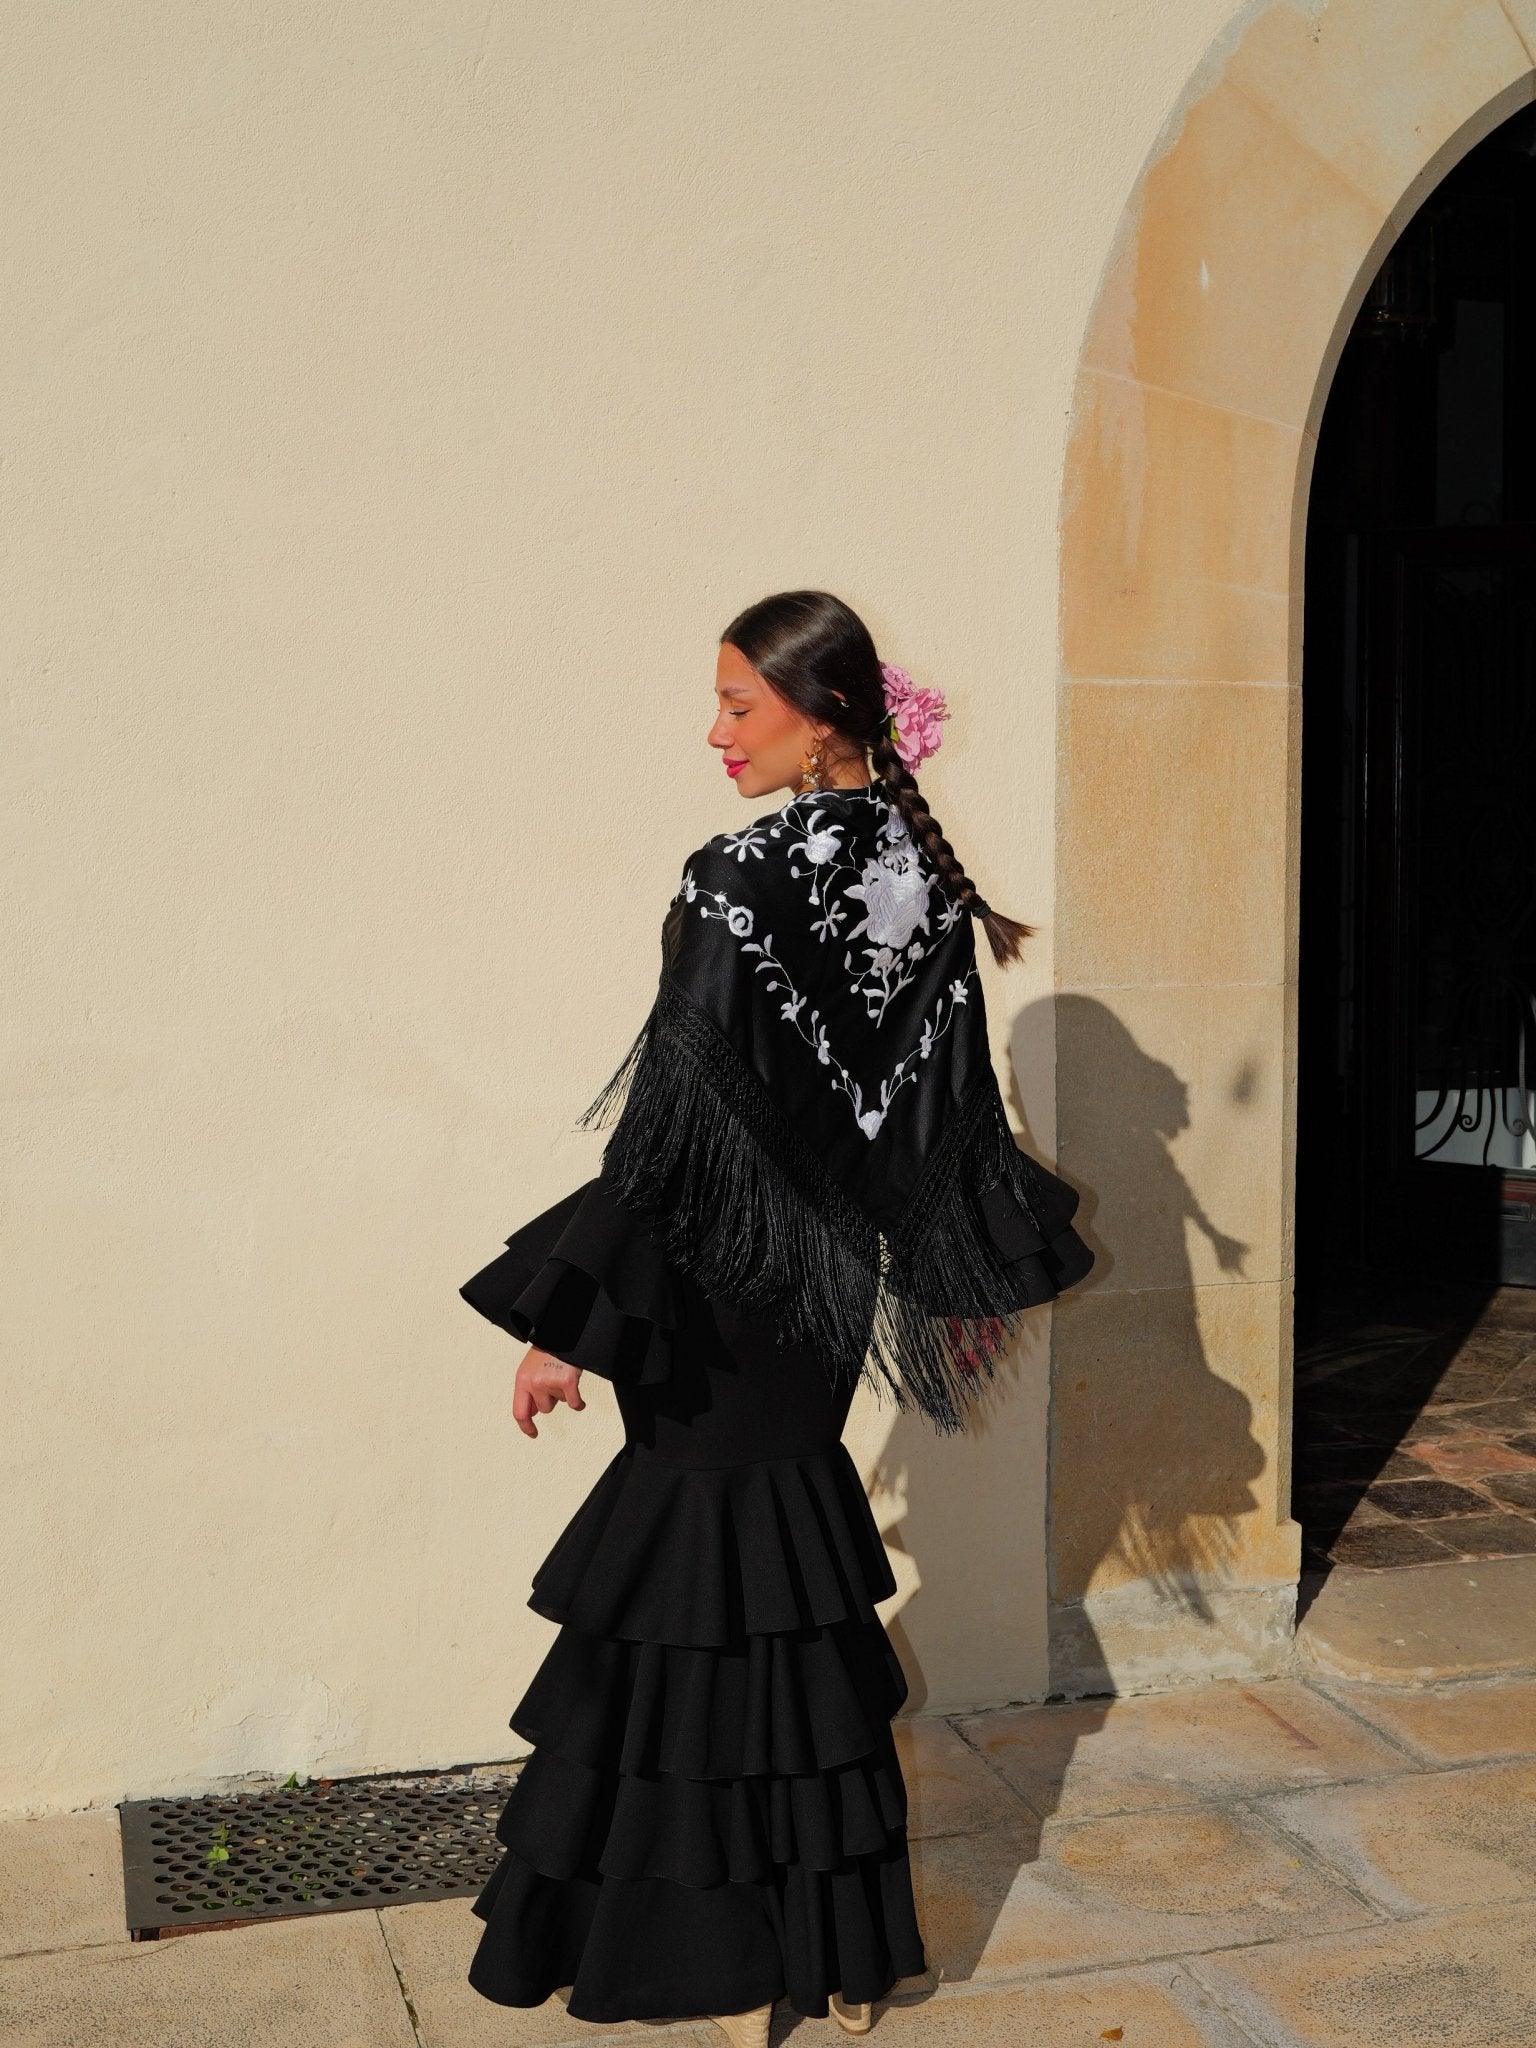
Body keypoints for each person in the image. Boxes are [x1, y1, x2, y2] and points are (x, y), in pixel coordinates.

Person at [457, 590, 1095, 2044]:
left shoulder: (736, 879)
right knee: (789, 1604)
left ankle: (702, 1950)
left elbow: (669, 1139)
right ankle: (835, 1950)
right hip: (824, 1295)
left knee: (686, 1607)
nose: (717, 732)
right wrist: (950, 1283)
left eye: (739, 704)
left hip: (708, 1296)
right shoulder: (921, 879)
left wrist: (571, 1324)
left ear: (825, 718)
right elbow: (943, 1122)